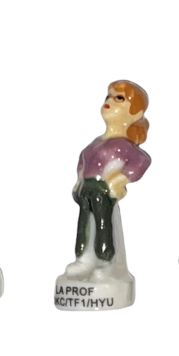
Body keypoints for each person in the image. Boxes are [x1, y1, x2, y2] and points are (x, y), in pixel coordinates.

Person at [67, 80, 151, 274]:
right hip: (85, 189)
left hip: (102, 191)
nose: (110, 101)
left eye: (119, 98)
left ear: (135, 113)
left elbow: (142, 161)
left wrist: (120, 180)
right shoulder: (95, 142)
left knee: (103, 224)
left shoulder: (122, 145)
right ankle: (83, 259)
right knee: (84, 225)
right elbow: (82, 162)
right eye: (108, 96)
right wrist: (78, 181)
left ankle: (105, 260)